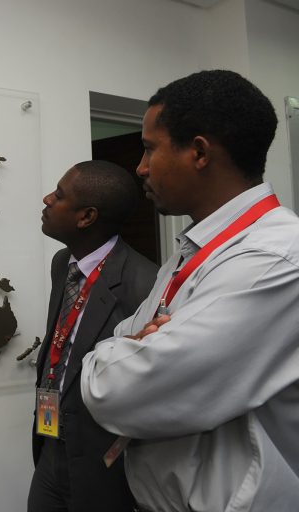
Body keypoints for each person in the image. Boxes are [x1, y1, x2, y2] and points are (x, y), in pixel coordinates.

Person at [81, 70, 299, 511]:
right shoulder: (195, 248)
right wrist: (129, 347)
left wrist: (114, 355)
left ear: (199, 152)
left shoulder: (276, 257)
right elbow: (126, 339)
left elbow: (120, 391)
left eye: (148, 149)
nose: (140, 168)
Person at [28, 160, 157, 512]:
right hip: (51, 438)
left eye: (58, 195)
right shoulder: (62, 263)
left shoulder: (145, 284)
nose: (46, 200)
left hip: (102, 456)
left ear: (86, 217)